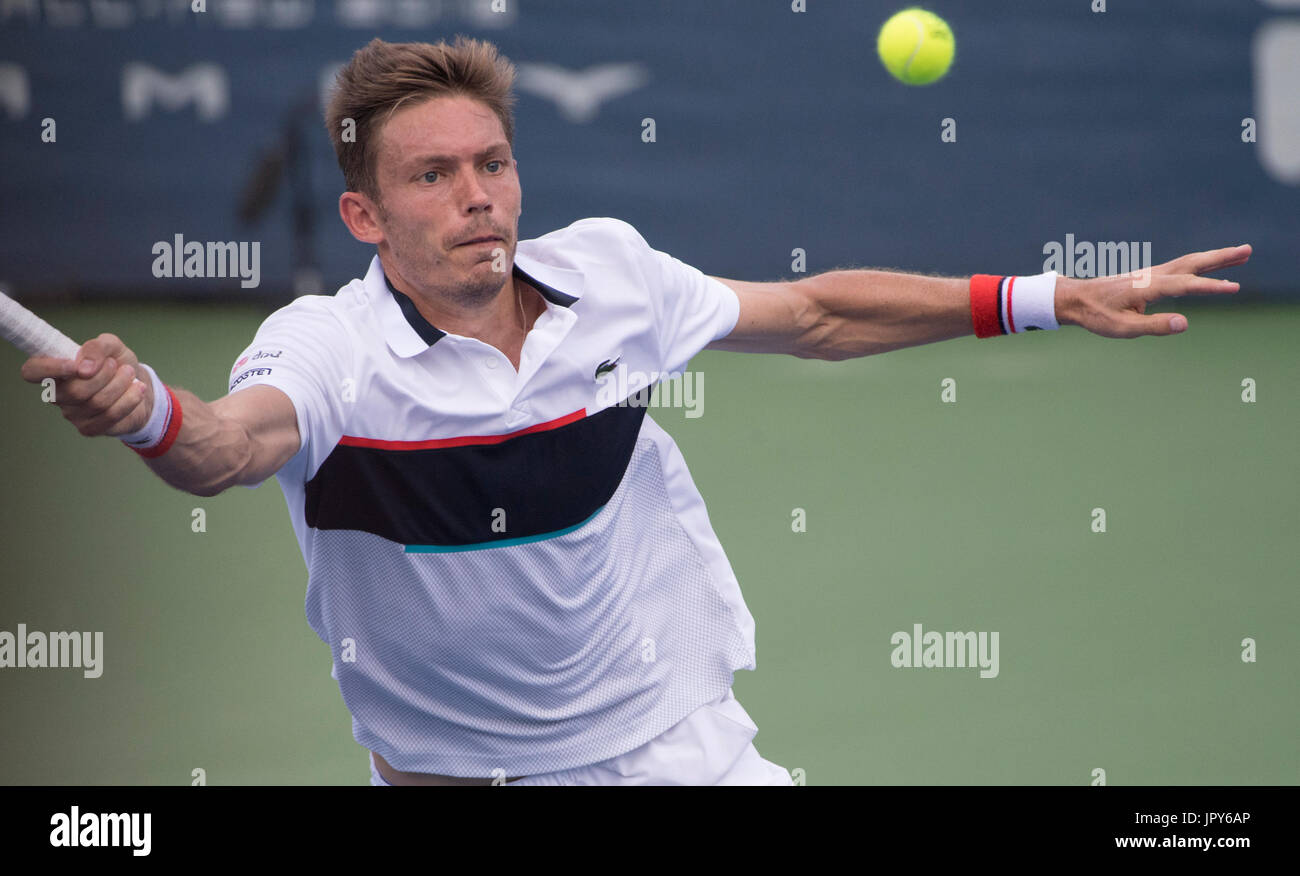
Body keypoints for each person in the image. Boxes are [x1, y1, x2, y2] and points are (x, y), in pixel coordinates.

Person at [19, 37, 1251, 786]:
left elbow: (815, 314)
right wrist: (146, 417)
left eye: (491, 164)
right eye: (431, 176)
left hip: (673, 748)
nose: (476, 197)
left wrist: (1040, 295)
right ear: (363, 216)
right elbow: (231, 448)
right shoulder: (329, 350)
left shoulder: (608, 275)